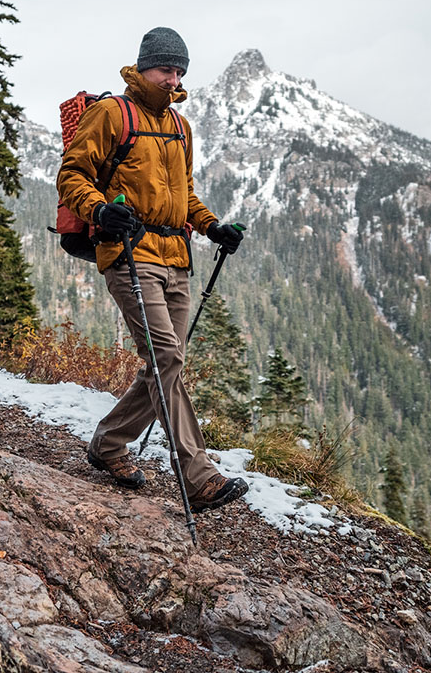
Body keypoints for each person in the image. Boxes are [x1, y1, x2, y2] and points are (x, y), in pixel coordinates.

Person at [57, 26, 249, 514]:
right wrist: (99, 210)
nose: (174, 78)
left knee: (167, 363)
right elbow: (72, 173)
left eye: (180, 70)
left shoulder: (181, 128)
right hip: (128, 251)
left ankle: (107, 443)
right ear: (144, 67)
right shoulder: (111, 114)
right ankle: (198, 474)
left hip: (177, 258)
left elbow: (184, 194)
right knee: (166, 355)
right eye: (167, 68)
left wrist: (212, 227)